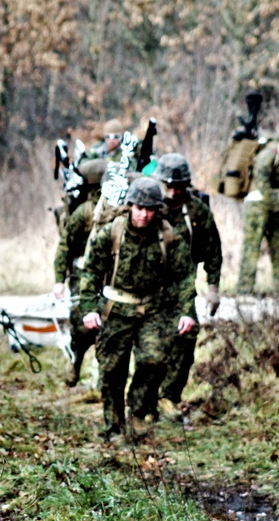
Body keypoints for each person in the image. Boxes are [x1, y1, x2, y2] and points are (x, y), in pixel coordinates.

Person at [80, 177, 197, 442]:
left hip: (153, 310)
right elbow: (90, 272)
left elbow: (184, 278)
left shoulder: (168, 237)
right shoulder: (112, 232)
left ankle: (138, 410)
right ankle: (113, 427)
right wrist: (89, 308)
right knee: (112, 370)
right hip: (116, 309)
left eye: (150, 209)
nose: (144, 214)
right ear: (131, 206)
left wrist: (187, 311)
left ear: (157, 209)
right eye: (139, 208)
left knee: (153, 360)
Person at [152, 153, 222, 421]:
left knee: (185, 339)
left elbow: (213, 250)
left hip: (182, 288)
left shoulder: (196, 212)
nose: (173, 192)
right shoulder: (147, 206)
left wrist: (213, 286)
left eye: (178, 186)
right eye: (168, 186)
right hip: (147, 289)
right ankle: (145, 401)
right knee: (150, 346)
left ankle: (169, 396)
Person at [235, 119, 279, 296]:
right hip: (258, 206)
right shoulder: (269, 154)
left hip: (278, 209)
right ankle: (245, 290)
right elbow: (262, 182)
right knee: (252, 247)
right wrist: (278, 206)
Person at [53, 159, 106, 386]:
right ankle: (76, 360)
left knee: (108, 327)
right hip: (81, 276)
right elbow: (64, 247)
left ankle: (105, 376)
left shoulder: (116, 210)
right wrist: (59, 281)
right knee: (83, 327)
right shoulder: (84, 213)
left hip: (108, 277)